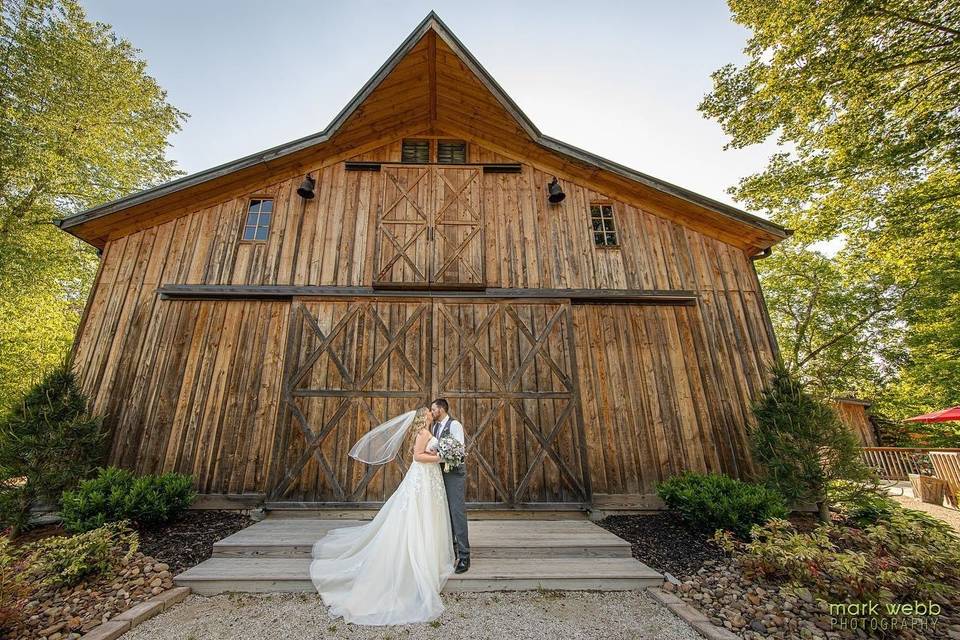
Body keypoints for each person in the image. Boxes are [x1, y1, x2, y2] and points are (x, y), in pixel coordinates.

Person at [309, 407, 456, 625]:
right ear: (422, 418)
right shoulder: (424, 433)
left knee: (427, 513)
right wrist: (441, 458)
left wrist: (438, 455)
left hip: (428, 478)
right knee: (416, 514)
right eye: (427, 413)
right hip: (422, 477)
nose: (430, 414)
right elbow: (417, 456)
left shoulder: (427, 431)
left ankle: (427, 550)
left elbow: (423, 453)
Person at [429, 398, 470, 573]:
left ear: (441, 409)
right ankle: (451, 550)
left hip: (453, 473)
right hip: (439, 473)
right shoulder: (435, 427)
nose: (431, 413)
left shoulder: (455, 425)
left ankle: (464, 556)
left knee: (456, 512)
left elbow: (459, 450)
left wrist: (439, 456)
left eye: (433, 409)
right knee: (443, 512)